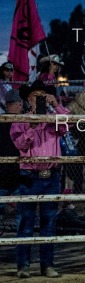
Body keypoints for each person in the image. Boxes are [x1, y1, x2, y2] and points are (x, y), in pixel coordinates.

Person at [10, 80, 71, 279]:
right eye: (35, 96)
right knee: (25, 223)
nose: (39, 100)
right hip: (30, 175)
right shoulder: (21, 120)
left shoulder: (54, 117)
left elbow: (69, 124)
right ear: (28, 99)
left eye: (42, 96)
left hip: (51, 175)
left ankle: (47, 266)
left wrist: (56, 104)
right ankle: (24, 266)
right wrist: (32, 126)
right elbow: (20, 143)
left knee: (49, 222)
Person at [0, 90, 23, 218]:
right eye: (19, 103)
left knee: (21, 210)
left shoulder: (21, 120)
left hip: (12, 172)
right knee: (21, 211)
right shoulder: (21, 121)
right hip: (12, 171)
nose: (21, 106)